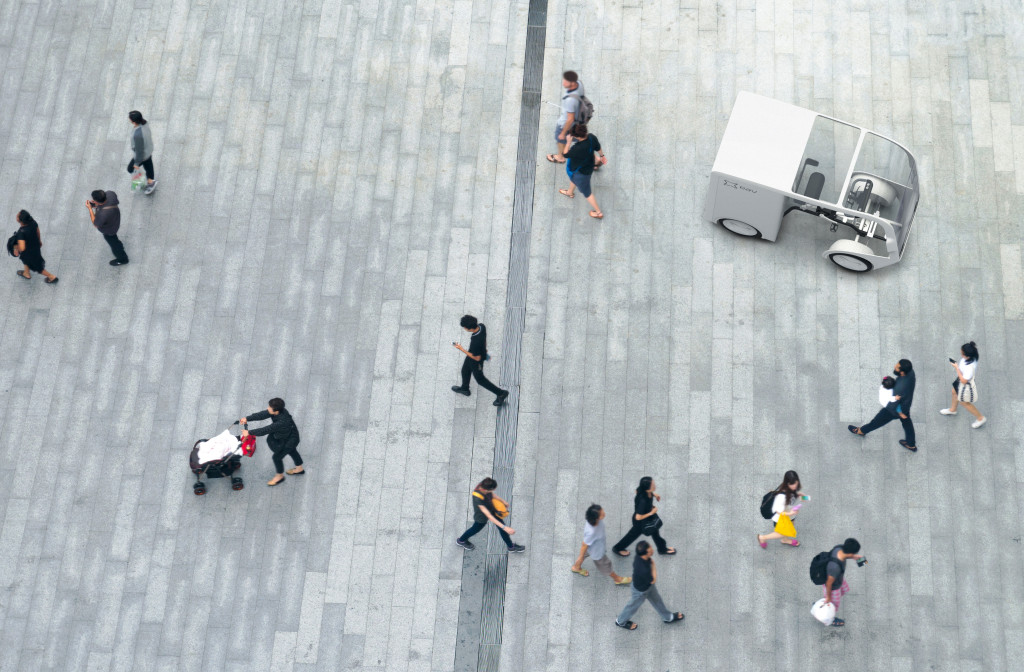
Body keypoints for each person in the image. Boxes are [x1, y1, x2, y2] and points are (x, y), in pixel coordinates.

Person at [849, 358, 917, 452]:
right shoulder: (911, 373)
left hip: (893, 410)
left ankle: (861, 431)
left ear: (902, 372)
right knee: (906, 422)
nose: (894, 367)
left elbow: (893, 404)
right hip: (906, 404)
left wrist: (899, 412)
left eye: (897, 367)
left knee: (877, 421)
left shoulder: (899, 388)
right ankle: (911, 444)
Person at [613, 541, 684, 630]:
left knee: (657, 600)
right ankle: (620, 621)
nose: (652, 550)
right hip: (640, 591)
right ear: (645, 553)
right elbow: (653, 580)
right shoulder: (644, 570)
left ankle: (668, 617)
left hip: (646, 586)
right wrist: (653, 565)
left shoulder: (639, 557)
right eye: (650, 550)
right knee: (633, 606)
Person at [240, 397, 303, 486]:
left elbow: (266, 429)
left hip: (288, 441)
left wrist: (249, 432)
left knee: (277, 458)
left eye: (269, 407)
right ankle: (299, 468)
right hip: (290, 436)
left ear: (276, 411)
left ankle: (279, 476)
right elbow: (263, 414)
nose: (267, 408)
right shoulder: (280, 410)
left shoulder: (282, 421)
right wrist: (247, 418)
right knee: (292, 451)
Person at [451, 315, 509, 406]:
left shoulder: (475, 341)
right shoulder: (482, 326)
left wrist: (461, 349)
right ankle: (465, 388)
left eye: (464, 327)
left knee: (480, 380)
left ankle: (501, 393)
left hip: (476, 359)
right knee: (465, 370)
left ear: (468, 328)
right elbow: (484, 340)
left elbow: (477, 358)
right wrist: (484, 350)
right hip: (475, 353)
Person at [455, 477, 525, 553]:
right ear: (486, 490)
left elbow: (492, 494)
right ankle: (461, 541)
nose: (493, 491)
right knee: (475, 529)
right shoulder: (477, 498)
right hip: (482, 516)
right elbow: (489, 516)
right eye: (492, 489)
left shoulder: (483, 485)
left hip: (492, 508)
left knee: (502, 528)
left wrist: (503, 501)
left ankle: (511, 546)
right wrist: (505, 528)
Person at [611, 477, 676, 557]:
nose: (655, 485)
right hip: (641, 523)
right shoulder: (643, 501)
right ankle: (617, 548)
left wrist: (654, 494)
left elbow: (637, 491)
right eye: (653, 484)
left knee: (655, 533)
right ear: (647, 488)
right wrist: (652, 512)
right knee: (631, 536)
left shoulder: (642, 490)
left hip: (648, 519)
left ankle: (662, 549)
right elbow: (638, 517)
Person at [570, 504, 631, 585]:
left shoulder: (593, 521)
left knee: (585, 553)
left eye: (603, 511)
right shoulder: (592, 531)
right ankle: (618, 579)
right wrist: (580, 556)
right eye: (602, 514)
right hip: (597, 552)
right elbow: (584, 544)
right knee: (606, 566)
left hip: (593, 546)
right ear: (595, 518)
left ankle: (576, 567)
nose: (604, 514)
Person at [558, 123, 606, 219]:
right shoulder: (591, 137)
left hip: (582, 173)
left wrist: (568, 142)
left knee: (587, 193)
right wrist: (602, 156)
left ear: (577, 137)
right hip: (589, 165)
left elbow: (566, 154)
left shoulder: (577, 148)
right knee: (574, 178)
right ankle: (570, 192)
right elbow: (598, 147)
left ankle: (598, 212)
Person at [940, 341, 986, 428]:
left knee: (964, 403)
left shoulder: (969, 367)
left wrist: (957, 368)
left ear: (967, 356)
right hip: (960, 380)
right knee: (954, 392)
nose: (960, 353)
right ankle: (953, 409)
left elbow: (964, 380)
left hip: (965, 384)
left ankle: (980, 418)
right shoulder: (972, 357)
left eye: (962, 353)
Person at [756, 470, 805, 549]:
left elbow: (792, 496)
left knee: (791, 525)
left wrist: (799, 495)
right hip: (780, 518)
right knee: (781, 533)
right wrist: (791, 513)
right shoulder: (781, 497)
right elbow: (778, 511)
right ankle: (762, 537)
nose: (795, 486)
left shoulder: (791, 489)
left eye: (796, 483)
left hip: (789, 513)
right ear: (787, 483)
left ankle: (785, 540)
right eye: (793, 484)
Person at [822, 538, 864, 627]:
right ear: (850, 552)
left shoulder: (839, 548)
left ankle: (824, 601)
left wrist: (853, 557)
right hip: (833, 587)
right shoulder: (834, 567)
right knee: (833, 606)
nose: (855, 555)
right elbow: (828, 584)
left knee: (844, 590)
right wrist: (829, 597)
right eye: (854, 553)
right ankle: (830, 619)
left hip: (838, 580)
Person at [545, 70, 585, 164]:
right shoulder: (579, 84)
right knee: (581, 139)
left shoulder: (570, 100)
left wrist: (563, 133)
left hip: (567, 123)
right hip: (579, 120)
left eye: (565, 81)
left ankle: (560, 157)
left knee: (560, 139)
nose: (563, 83)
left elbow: (570, 119)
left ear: (572, 82)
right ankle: (595, 160)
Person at [11, 210, 58, 283]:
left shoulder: (21, 233)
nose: (16, 216)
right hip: (35, 246)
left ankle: (51, 277)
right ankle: (26, 273)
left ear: (21, 221)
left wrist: (16, 248)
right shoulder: (33, 222)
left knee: (38, 268)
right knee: (25, 260)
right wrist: (39, 241)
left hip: (28, 252)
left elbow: (22, 248)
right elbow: (38, 231)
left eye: (17, 216)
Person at [86, 190, 129, 266]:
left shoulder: (102, 214)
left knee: (114, 244)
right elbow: (114, 202)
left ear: (97, 201)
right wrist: (97, 205)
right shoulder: (110, 194)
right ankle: (119, 245)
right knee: (115, 240)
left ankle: (123, 259)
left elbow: (95, 223)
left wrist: (90, 208)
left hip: (110, 230)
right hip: (115, 217)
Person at [127, 110, 157, 195]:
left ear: (133, 121)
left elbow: (139, 151)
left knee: (130, 168)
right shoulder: (144, 123)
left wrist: (136, 163)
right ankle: (151, 181)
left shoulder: (137, 135)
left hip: (142, 155)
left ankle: (144, 182)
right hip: (148, 150)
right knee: (148, 165)